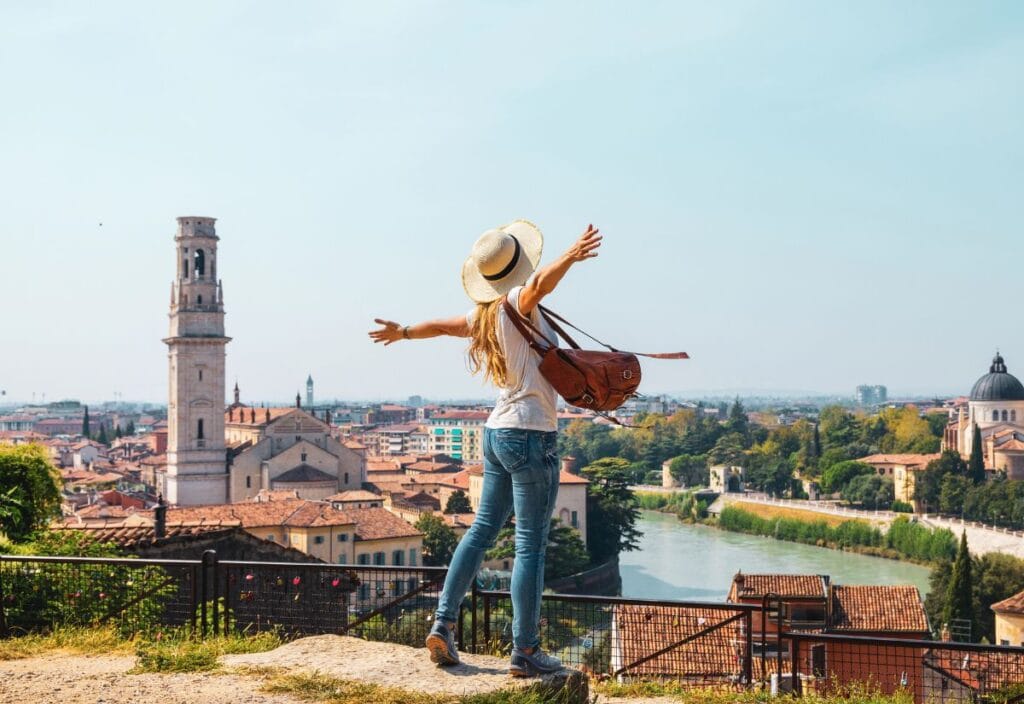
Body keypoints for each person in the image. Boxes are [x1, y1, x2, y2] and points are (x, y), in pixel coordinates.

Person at [368, 220, 601, 676]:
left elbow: (439, 325)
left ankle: (443, 623)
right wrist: (572, 255)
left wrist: (405, 332)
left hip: (496, 434)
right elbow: (537, 286)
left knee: (479, 532)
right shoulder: (518, 302)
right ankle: (526, 651)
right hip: (531, 434)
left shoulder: (483, 316)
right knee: (530, 546)